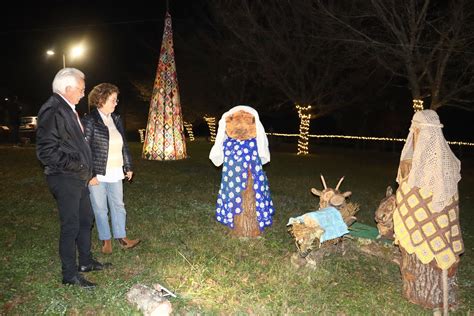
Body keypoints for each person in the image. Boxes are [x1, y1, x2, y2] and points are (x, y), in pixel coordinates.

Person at [36, 68, 110, 289]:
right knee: (71, 225)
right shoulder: (53, 110)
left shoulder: (67, 109)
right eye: (80, 89)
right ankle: (69, 275)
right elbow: (46, 152)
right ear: (67, 89)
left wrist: (85, 170)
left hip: (78, 177)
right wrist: (78, 166)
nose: (82, 93)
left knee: (86, 220)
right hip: (65, 177)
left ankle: (85, 262)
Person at [82, 83, 140, 254]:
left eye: (116, 100)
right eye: (113, 100)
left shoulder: (116, 119)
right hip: (97, 174)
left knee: (118, 205)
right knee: (100, 208)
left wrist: (128, 166)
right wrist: (90, 175)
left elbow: (124, 146)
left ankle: (121, 237)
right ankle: (105, 240)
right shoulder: (90, 120)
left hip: (116, 171)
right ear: (101, 100)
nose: (116, 103)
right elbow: (84, 149)